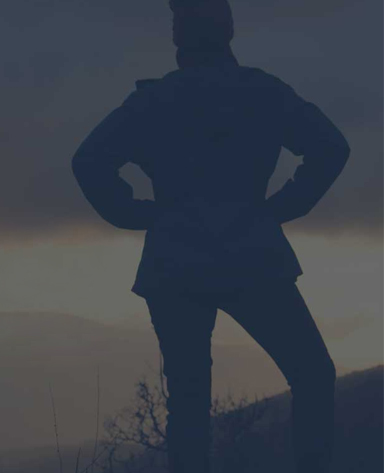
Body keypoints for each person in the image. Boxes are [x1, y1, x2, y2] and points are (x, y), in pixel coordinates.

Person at [70, 1, 351, 472]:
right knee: (313, 373)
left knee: (188, 399)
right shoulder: (261, 91)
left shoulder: (153, 100)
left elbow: (89, 161)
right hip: (252, 254)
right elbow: (331, 146)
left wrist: (139, 214)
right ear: (228, 33)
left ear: (179, 38)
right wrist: (281, 208)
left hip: (174, 261)